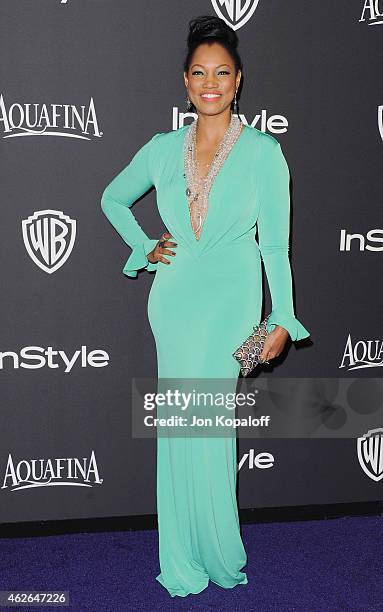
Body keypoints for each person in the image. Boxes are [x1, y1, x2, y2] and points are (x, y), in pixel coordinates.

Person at [101, 14, 310, 598]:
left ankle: (219, 553)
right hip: (174, 299)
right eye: (199, 72)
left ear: (238, 79)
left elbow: (275, 244)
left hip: (230, 301)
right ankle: (184, 558)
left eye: (222, 71)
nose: (210, 82)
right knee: (178, 427)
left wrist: (282, 317)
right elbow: (112, 199)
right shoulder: (162, 148)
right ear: (185, 82)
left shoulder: (266, 153)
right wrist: (144, 247)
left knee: (209, 427)